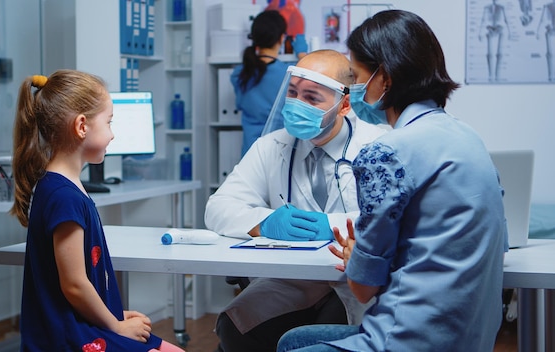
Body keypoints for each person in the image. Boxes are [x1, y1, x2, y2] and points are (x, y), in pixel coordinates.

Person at [277, 10, 507, 352]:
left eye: (356, 76)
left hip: (407, 340)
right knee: (293, 340)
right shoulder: (467, 136)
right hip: (471, 337)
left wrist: (358, 257)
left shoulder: (386, 152)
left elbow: (363, 288)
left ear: (383, 77)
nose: (353, 90)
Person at [205, 49, 387, 352]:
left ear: (344, 104)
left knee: (330, 330)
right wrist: (264, 223)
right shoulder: (271, 146)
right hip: (294, 280)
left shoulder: (377, 147)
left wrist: (330, 226)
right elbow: (218, 207)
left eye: (312, 98)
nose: (297, 105)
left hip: (355, 283)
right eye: (292, 94)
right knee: (234, 327)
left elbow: (393, 218)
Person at [9, 70, 184, 352]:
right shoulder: (63, 196)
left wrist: (114, 314)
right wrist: (115, 326)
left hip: (85, 322)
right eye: (109, 122)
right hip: (69, 336)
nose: (113, 134)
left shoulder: (65, 187)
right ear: (81, 126)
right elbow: (75, 285)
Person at [232, 10, 308, 156]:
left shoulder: (239, 74)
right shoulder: (289, 73)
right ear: (281, 38)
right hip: (279, 152)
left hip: (249, 154)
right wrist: (302, 55)